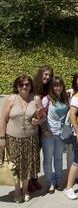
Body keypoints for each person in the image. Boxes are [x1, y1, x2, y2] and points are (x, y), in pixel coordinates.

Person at [0, 75, 43, 203]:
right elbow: (3, 120)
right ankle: (17, 190)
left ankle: (25, 189)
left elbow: (43, 116)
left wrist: (38, 121)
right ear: (17, 87)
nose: (24, 87)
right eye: (21, 85)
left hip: (30, 138)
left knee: (27, 166)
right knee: (15, 166)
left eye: (27, 84)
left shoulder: (36, 99)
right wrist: (2, 138)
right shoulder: (11, 99)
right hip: (13, 138)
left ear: (31, 86)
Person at [41, 77, 69, 194]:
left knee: (58, 159)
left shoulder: (65, 98)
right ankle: (50, 182)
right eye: (55, 85)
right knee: (47, 159)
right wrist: (44, 130)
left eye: (60, 85)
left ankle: (58, 181)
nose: (58, 87)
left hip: (61, 133)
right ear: (52, 87)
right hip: (49, 134)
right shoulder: (46, 99)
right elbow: (40, 116)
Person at [32, 65, 54, 191]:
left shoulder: (48, 89)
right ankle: (28, 180)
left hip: (44, 124)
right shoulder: (33, 88)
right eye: (45, 74)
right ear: (40, 74)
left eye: (49, 75)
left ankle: (34, 178)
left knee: (37, 154)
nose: (47, 77)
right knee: (32, 154)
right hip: (33, 125)